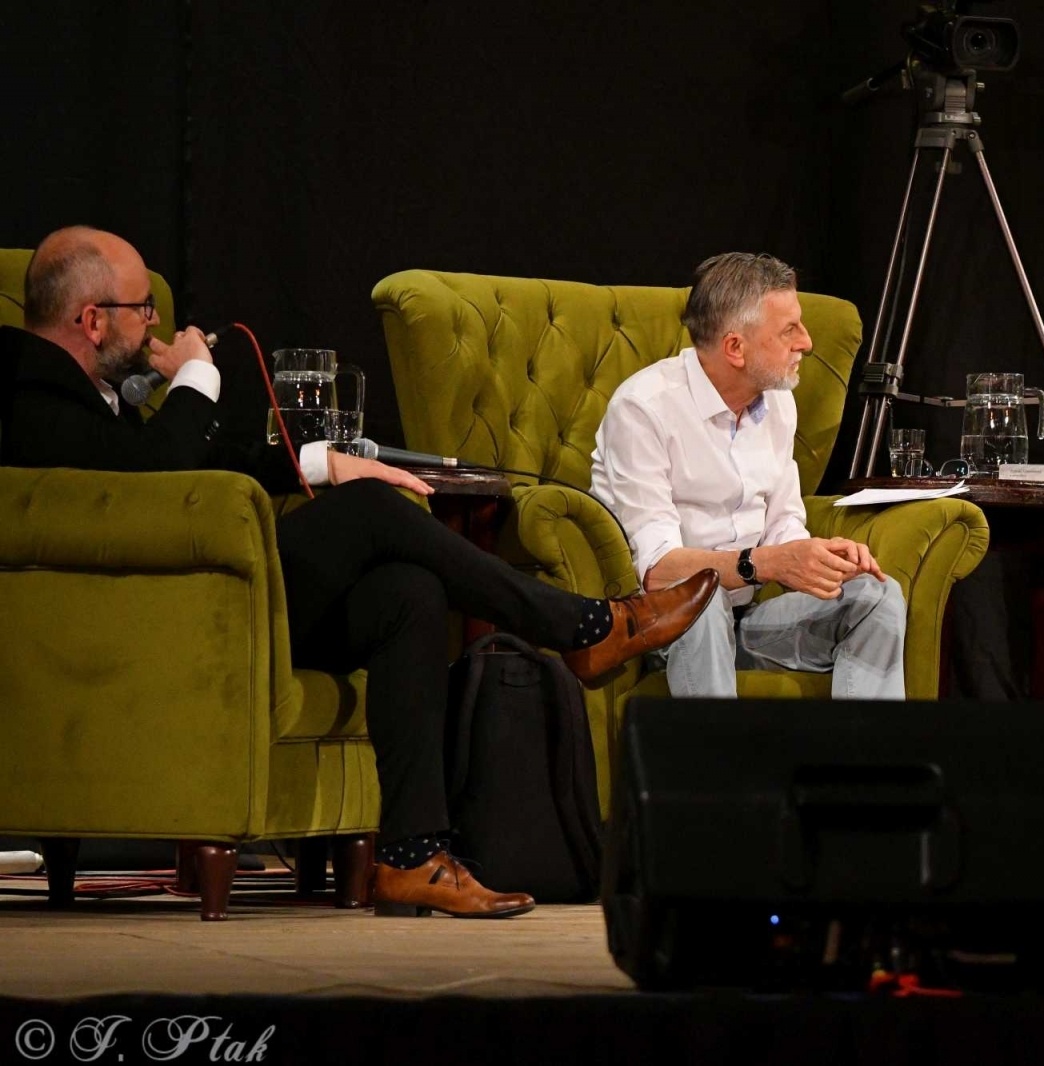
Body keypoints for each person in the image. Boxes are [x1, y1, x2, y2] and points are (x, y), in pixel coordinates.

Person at [0, 226, 718, 919]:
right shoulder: (27, 390)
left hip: (204, 616)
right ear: (92, 319)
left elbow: (186, 466)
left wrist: (325, 463)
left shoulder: (89, 396)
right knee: (374, 512)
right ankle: (588, 624)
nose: (160, 323)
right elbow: (155, 477)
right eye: (143, 309)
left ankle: (414, 856)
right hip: (155, 633)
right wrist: (195, 378)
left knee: (407, 593)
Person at [590, 252, 907, 698]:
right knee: (702, 601)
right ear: (735, 347)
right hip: (664, 625)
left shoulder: (777, 401)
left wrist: (819, 558)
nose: (807, 342)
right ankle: (720, 768)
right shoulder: (644, 409)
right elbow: (658, 570)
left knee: (877, 596)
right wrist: (768, 563)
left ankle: (862, 765)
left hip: (747, 620)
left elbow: (782, 523)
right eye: (789, 331)